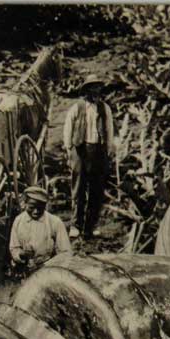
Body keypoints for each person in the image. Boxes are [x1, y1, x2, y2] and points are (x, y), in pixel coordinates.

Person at [62, 74, 115, 240]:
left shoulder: (105, 109)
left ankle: (90, 227)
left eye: (98, 87)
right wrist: (68, 148)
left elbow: (109, 130)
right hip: (80, 150)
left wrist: (109, 149)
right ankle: (75, 225)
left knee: (96, 190)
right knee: (78, 188)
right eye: (93, 88)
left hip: (98, 151)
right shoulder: (77, 107)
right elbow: (68, 127)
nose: (96, 91)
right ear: (87, 90)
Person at [9, 186, 71, 275]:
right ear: (25, 204)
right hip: (26, 270)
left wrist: (45, 266)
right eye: (31, 207)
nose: (35, 211)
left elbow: (65, 253)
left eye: (40, 208)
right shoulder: (18, 220)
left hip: (50, 270)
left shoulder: (55, 222)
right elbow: (14, 247)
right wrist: (20, 255)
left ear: (45, 206)